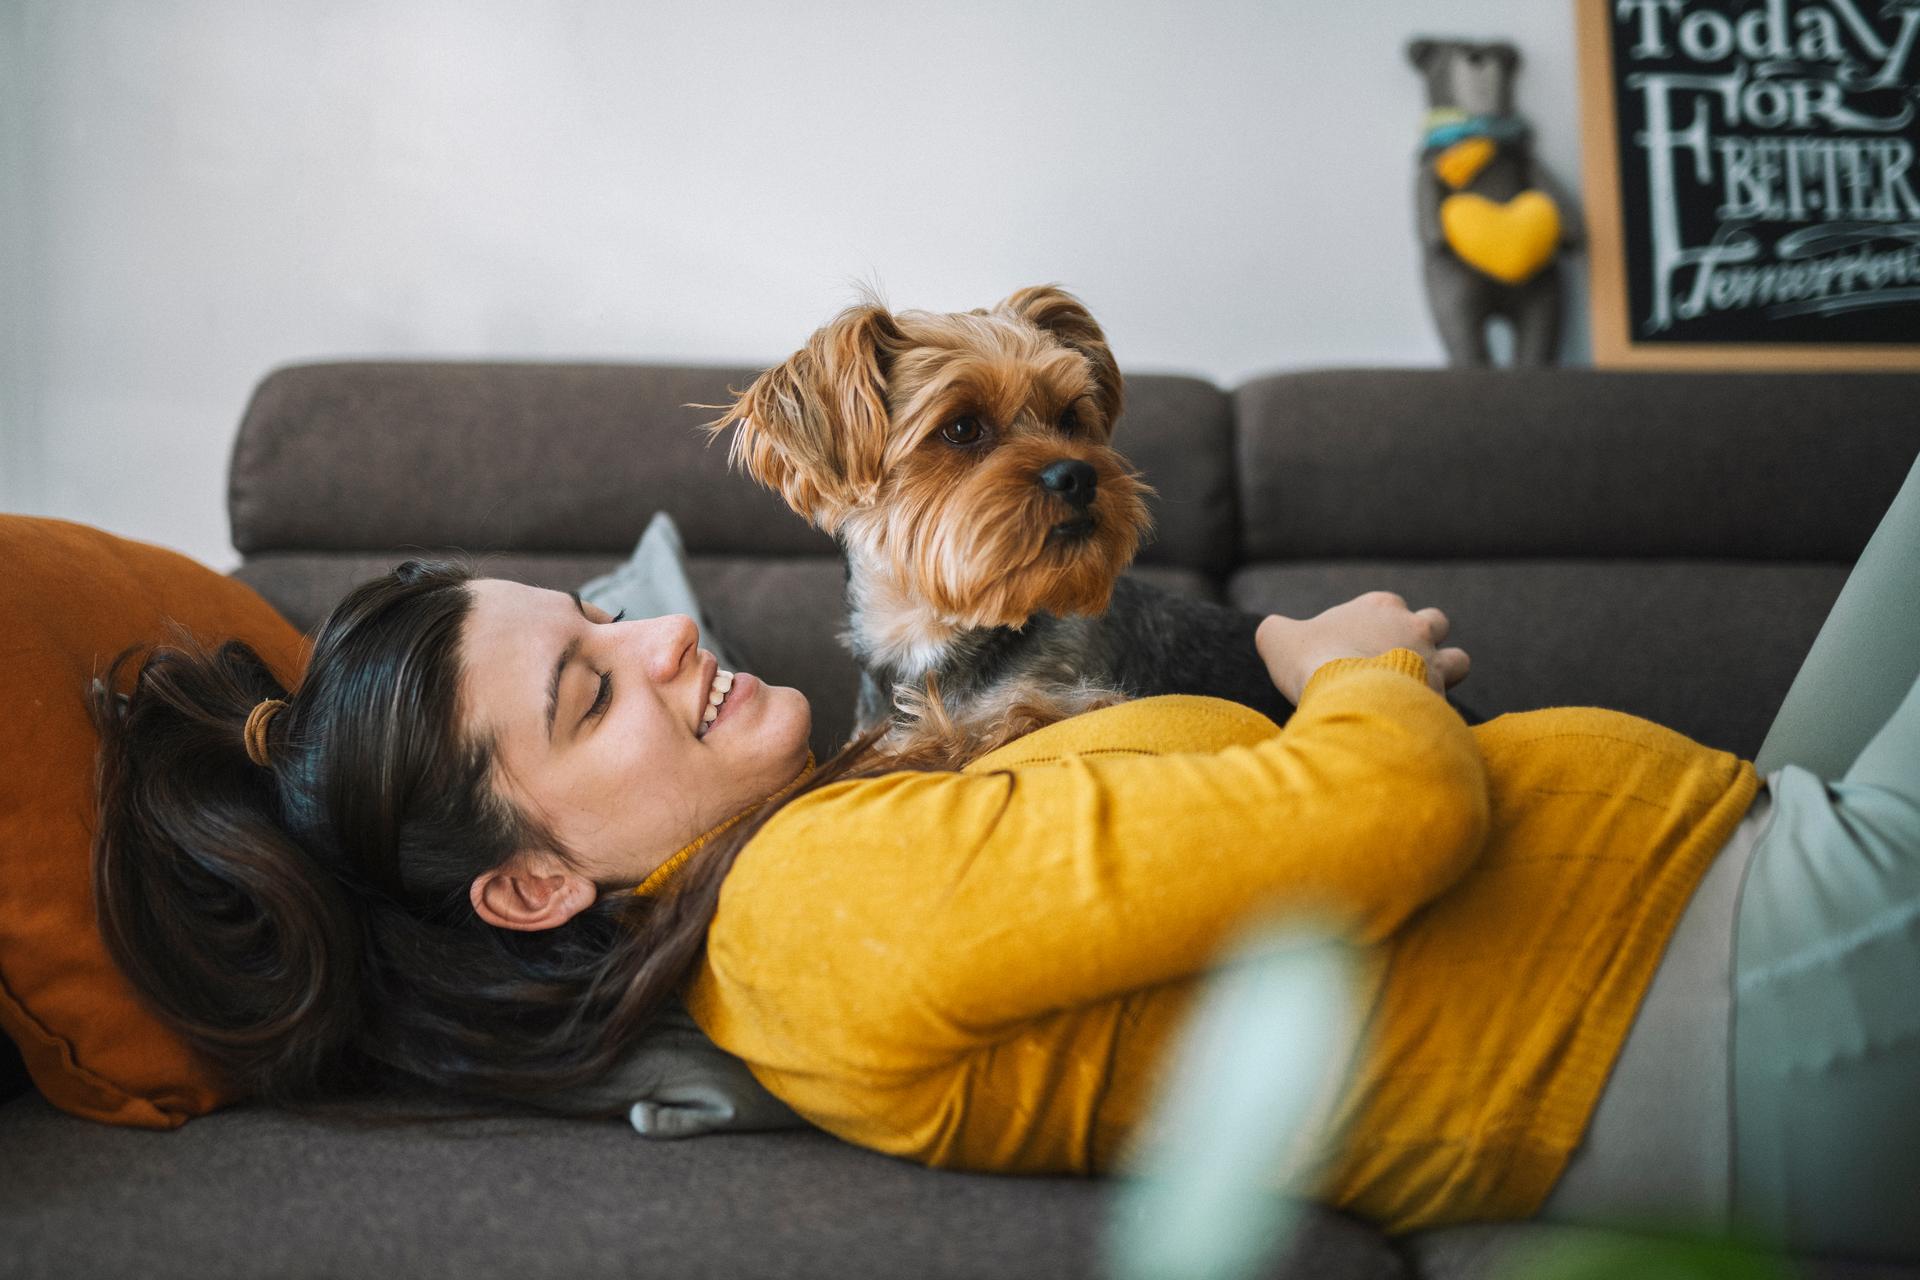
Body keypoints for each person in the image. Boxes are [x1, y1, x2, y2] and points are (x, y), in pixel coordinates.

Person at [90, 457, 1920, 1262]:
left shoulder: (819, 850)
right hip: (1749, 982)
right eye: (590, 691)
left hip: (1734, 856)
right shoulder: (813, 913)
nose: (663, 636)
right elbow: (1396, 818)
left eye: (599, 610)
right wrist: (1342, 662)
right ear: (532, 887)